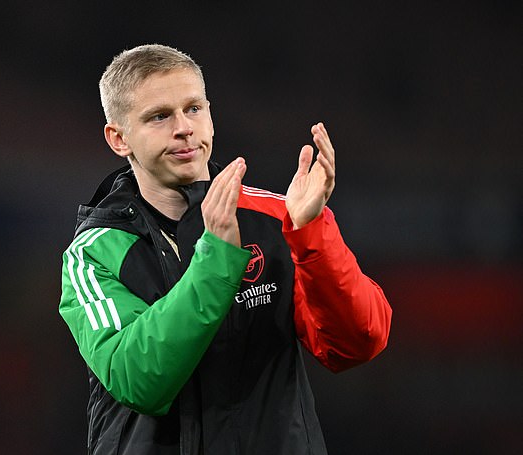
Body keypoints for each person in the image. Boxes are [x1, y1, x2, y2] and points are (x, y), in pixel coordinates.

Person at [59, 44, 392, 455]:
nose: (184, 128)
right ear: (118, 138)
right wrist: (216, 257)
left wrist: (311, 233)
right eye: (159, 116)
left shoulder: (275, 217)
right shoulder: (93, 254)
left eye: (194, 109)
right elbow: (137, 378)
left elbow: (357, 343)